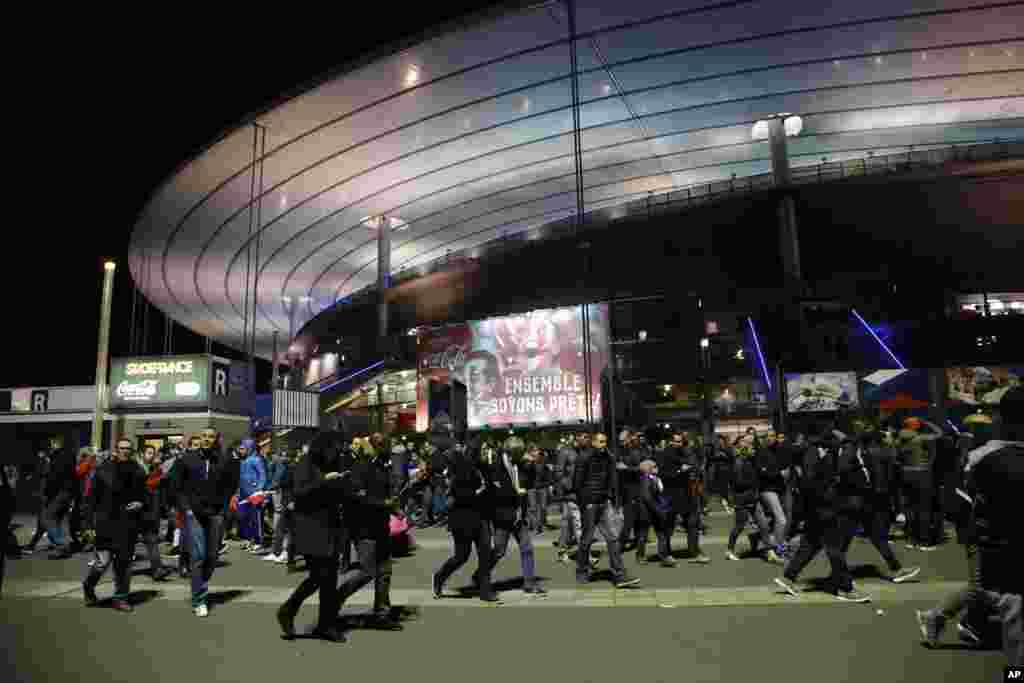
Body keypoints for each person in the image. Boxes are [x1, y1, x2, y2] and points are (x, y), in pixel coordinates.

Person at [917, 386, 1024, 665]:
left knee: (989, 591)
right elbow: (962, 498)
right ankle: (939, 617)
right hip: (990, 540)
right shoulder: (986, 457)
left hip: (989, 539)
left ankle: (964, 622)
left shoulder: (983, 455)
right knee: (984, 588)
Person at [774, 430, 869, 603]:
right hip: (822, 509)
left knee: (811, 545)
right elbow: (812, 483)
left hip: (816, 509)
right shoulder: (814, 454)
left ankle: (788, 577)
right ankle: (845, 588)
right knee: (834, 549)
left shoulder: (814, 452)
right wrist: (829, 494)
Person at [277, 432, 351, 643]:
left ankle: (325, 625)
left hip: (331, 526)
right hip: (310, 526)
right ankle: (288, 609)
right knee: (319, 576)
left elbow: (337, 493)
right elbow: (300, 492)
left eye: (338, 448)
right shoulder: (305, 462)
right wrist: (324, 482)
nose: (335, 452)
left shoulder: (333, 463)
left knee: (329, 580)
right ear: (323, 447)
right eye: (333, 448)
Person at [336, 431, 399, 629]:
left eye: (385, 444)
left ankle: (382, 613)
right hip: (363, 528)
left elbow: (385, 493)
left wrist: (396, 507)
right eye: (379, 444)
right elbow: (357, 498)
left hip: (381, 526)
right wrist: (383, 503)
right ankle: (336, 598)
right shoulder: (359, 468)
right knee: (368, 571)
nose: (384, 448)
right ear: (370, 446)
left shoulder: (382, 467)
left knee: (385, 571)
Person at [173, 432, 240, 617]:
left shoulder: (223, 460)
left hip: (216, 513)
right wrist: (185, 508)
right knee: (199, 556)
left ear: (216, 439)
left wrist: (224, 506)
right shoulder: (187, 459)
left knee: (211, 557)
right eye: (204, 436)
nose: (207, 439)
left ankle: (200, 581)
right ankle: (199, 599)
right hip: (194, 514)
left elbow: (231, 484)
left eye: (211, 436)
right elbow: (176, 486)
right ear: (200, 439)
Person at [839, 431, 919, 584]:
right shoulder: (860, 454)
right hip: (859, 503)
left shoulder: (863, 454)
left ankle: (896, 569)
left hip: (864, 503)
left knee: (871, 538)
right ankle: (839, 575)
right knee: (848, 540)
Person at [82, 438, 149, 612]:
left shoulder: (138, 471)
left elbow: (146, 496)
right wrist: (88, 525)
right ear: (116, 450)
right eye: (121, 448)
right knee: (102, 563)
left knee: (124, 564)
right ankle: (88, 586)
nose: (125, 451)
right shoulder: (103, 470)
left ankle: (121, 598)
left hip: (128, 524)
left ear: (132, 451)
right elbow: (90, 500)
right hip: (105, 523)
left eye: (128, 449)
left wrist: (140, 503)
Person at [433, 436, 501, 604]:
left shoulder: (484, 468)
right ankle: (439, 577)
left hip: (482, 517)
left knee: (485, 555)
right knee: (461, 556)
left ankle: (486, 591)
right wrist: (478, 493)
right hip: (463, 518)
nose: (486, 453)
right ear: (474, 451)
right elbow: (458, 494)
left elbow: (490, 490)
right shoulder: (461, 467)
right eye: (482, 450)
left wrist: (492, 491)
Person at [476, 437, 547, 596]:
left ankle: (529, 583)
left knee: (527, 548)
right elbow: (492, 491)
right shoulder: (496, 465)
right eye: (518, 453)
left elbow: (529, 482)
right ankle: (480, 574)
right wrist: (513, 492)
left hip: (519, 514)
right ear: (510, 452)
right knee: (499, 551)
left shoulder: (521, 463)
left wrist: (531, 465)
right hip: (503, 515)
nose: (521, 456)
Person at [573, 432, 639, 588]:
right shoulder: (584, 457)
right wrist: (585, 503)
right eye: (601, 442)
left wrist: (611, 498)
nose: (603, 444)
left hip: (603, 502)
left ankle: (619, 575)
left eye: (605, 441)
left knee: (613, 538)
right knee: (587, 539)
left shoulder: (608, 457)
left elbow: (611, 478)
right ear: (594, 442)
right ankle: (582, 571)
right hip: (590, 504)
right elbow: (577, 484)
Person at [658, 433, 709, 564]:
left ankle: (695, 552)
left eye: (680, 442)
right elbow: (663, 475)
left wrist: (691, 470)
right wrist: (680, 471)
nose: (679, 444)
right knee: (668, 527)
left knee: (692, 523)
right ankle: (665, 554)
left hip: (686, 494)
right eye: (676, 441)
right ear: (671, 442)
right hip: (671, 495)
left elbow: (694, 466)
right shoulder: (665, 455)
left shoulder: (685, 452)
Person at [897, 417, 944, 550]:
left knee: (910, 507)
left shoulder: (899, 438)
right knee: (923, 507)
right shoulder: (921, 438)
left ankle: (911, 540)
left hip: (905, 473)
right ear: (917, 426)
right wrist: (928, 423)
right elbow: (939, 434)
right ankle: (923, 540)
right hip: (921, 474)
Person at [139, 445, 172, 582]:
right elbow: (144, 486)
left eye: (153, 453)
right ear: (142, 454)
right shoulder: (137, 468)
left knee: (151, 539)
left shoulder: (153, 469)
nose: (151, 456)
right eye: (149, 453)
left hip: (149, 510)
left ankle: (157, 569)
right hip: (135, 510)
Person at [633, 460, 672, 566]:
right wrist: (658, 510)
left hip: (654, 510)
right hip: (646, 512)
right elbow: (647, 498)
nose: (657, 467)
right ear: (648, 469)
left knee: (661, 534)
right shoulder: (645, 479)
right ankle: (640, 556)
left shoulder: (654, 478)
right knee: (643, 535)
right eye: (654, 466)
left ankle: (664, 556)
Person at [238, 439, 269, 554]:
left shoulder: (256, 460)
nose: (240, 451)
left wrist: (259, 490)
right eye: (240, 449)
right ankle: (248, 539)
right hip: (243, 494)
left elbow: (262, 475)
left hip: (254, 494)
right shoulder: (242, 461)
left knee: (256, 518)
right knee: (243, 517)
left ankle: (258, 542)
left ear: (249, 448)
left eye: (242, 449)